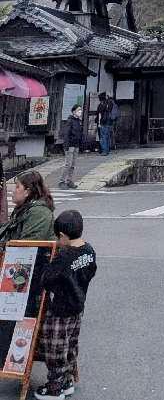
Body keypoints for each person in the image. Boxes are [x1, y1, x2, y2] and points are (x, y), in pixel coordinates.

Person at [35, 209, 97, 400]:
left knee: (55, 348)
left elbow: (47, 279)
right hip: (78, 307)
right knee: (70, 345)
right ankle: (67, 380)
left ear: (62, 235)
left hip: (60, 310)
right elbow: (91, 271)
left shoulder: (64, 257)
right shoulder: (89, 250)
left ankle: (55, 388)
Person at [0, 171, 55, 244]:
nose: (13, 191)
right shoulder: (24, 208)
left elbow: (28, 245)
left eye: (17, 187)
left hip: (30, 254)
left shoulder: (38, 212)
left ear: (27, 192)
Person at [60, 105, 83, 190]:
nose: (80, 111)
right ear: (74, 112)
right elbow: (66, 134)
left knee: (73, 165)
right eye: (78, 110)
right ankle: (61, 181)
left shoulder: (78, 121)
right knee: (68, 164)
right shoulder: (70, 121)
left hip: (76, 145)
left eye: (80, 110)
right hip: (70, 145)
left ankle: (69, 180)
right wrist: (66, 146)